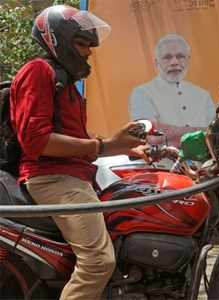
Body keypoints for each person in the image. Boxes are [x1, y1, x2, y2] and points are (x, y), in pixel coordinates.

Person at [10, 5, 147, 300]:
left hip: (74, 178)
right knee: (99, 262)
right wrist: (101, 145)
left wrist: (122, 146)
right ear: (57, 40)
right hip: (53, 180)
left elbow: (76, 141)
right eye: (82, 44)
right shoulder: (38, 71)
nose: (88, 52)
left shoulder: (65, 83)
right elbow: (37, 141)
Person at [129, 33, 215, 148]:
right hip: (164, 164)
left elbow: (216, 136)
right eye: (167, 57)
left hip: (205, 165)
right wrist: (202, 132)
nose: (174, 62)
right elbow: (151, 136)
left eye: (180, 56)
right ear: (156, 63)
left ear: (188, 60)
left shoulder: (203, 95)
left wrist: (169, 132)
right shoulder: (142, 93)